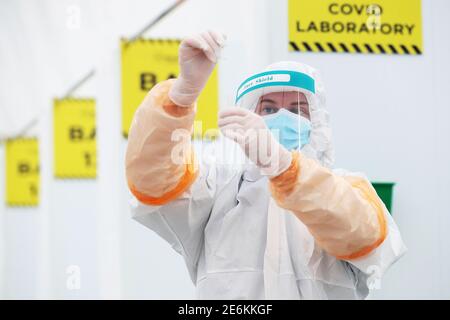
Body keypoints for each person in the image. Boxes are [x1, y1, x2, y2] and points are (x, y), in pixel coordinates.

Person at [125, 31, 406, 299]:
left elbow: (362, 234)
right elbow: (153, 180)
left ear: (317, 122)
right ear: (248, 116)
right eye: (269, 109)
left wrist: (285, 167)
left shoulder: (346, 189)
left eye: (297, 110)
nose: (281, 116)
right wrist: (180, 96)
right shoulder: (217, 191)